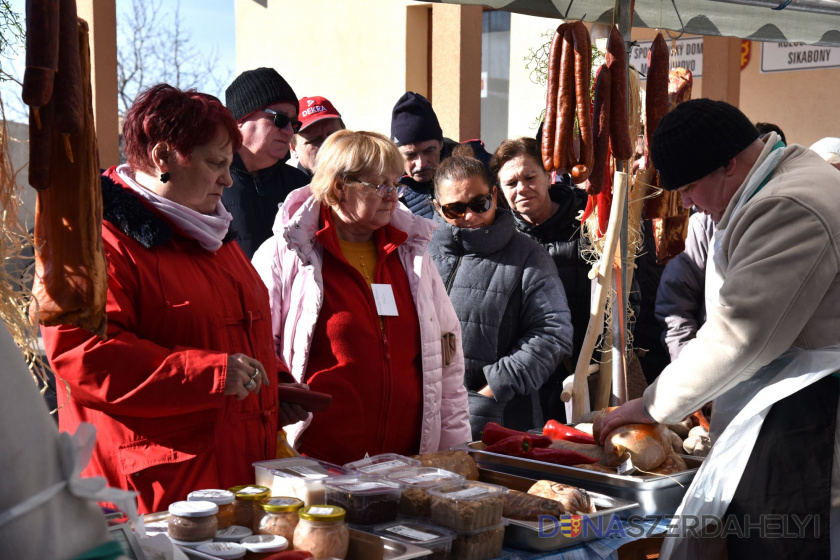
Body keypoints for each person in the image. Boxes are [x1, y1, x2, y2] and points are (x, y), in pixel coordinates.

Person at [41, 84, 308, 514]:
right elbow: (84, 355)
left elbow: (235, 332)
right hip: (155, 497)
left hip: (229, 483)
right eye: (216, 163)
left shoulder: (209, 231)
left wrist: (273, 382)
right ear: (164, 157)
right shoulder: (94, 240)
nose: (227, 178)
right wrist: (213, 375)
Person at [599, 99, 840, 558]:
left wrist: (653, 405)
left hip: (805, 420)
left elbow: (740, 336)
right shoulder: (779, 181)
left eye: (689, 188)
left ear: (730, 163)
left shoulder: (790, 205)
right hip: (789, 413)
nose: (686, 204)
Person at [252, 130, 471, 466]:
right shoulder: (285, 255)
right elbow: (258, 346)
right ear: (340, 187)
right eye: (380, 186)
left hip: (407, 464)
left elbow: (447, 358)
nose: (393, 197)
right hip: (317, 465)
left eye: (395, 184)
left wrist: (455, 454)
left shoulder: (412, 253)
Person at [428, 147, 573, 440]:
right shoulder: (422, 251)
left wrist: (492, 389)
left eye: (479, 203)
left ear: (494, 196)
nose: (469, 216)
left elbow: (553, 334)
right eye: (455, 209)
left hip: (499, 421)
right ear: (437, 208)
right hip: (425, 415)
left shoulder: (528, 255)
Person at [490, 137, 590, 421]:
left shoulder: (590, 222)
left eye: (529, 177)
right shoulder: (500, 238)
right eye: (510, 184)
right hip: (528, 378)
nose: (521, 188)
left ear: (548, 176)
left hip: (588, 372)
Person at [224, 67, 310, 258]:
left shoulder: (301, 186)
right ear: (240, 119)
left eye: (294, 124)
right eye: (279, 119)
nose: (289, 131)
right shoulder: (210, 185)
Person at [654, 212, 716, 361]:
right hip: (706, 364)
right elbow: (675, 308)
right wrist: (689, 365)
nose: (687, 202)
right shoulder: (703, 224)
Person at [390, 92, 444, 220]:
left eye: (429, 151)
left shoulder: (477, 171)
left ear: (441, 145)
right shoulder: (384, 191)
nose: (421, 164)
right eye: (410, 154)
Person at [288, 95, 345, 177]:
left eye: (334, 136)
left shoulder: (365, 178)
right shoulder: (290, 188)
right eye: (315, 140)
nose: (326, 145)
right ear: (293, 148)